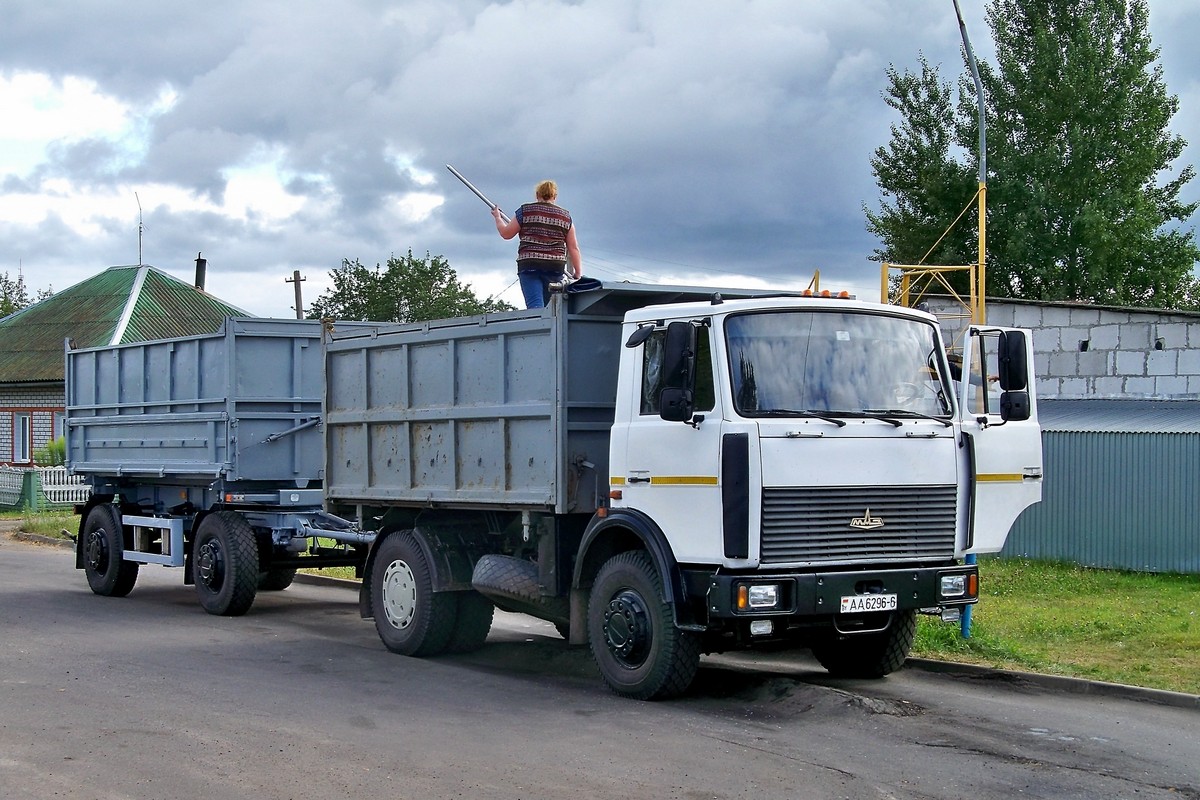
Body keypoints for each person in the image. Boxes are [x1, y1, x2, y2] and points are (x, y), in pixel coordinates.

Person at [492, 180, 582, 308]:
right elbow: (573, 248)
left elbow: (506, 234)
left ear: (537, 194)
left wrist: (497, 218)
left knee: (535, 307)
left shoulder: (525, 211)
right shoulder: (566, 217)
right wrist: (577, 273)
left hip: (530, 264)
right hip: (554, 267)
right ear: (555, 197)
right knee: (551, 309)